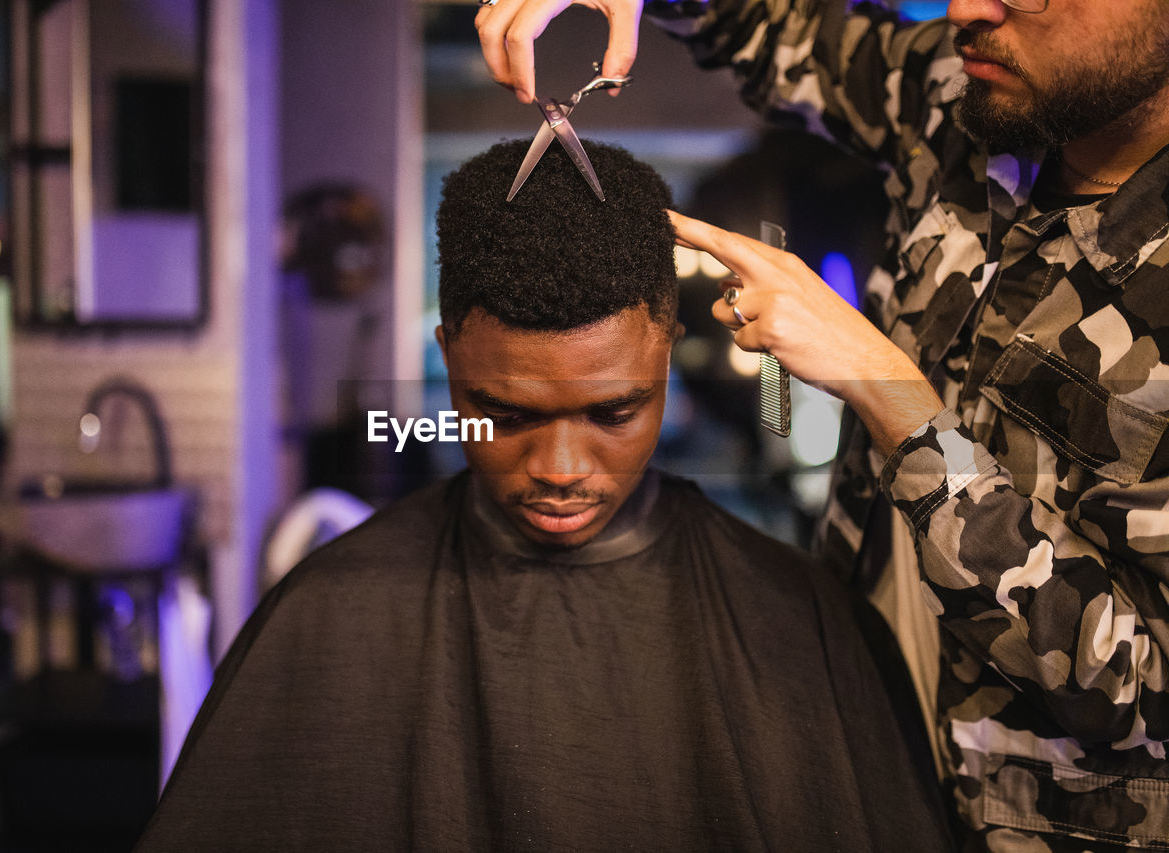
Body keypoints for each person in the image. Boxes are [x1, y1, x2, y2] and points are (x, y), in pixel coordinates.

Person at [475, 1, 1169, 850]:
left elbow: (1146, 687)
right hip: (858, 743)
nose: (964, 9)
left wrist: (895, 402)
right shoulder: (970, 90)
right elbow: (775, 27)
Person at [134, 140, 953, 851]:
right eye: (508, 412)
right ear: (449, 361)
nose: (561, 468)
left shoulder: (794, 617)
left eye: (613, 412)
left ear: (665, 354)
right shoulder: (327, 615)